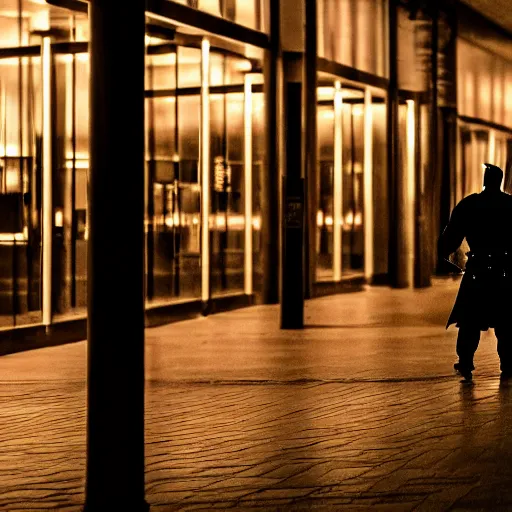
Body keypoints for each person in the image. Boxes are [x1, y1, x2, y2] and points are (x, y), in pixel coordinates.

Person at [438, 163, 512, 382]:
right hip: (505, 269)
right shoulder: (509, 205)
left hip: (477, 269)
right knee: (506, 321)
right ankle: (508, 363)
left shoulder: (470, 205)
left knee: (470, 319)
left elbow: (452, 236)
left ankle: (466, 361)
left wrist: (444, 253)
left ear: (485, 180)